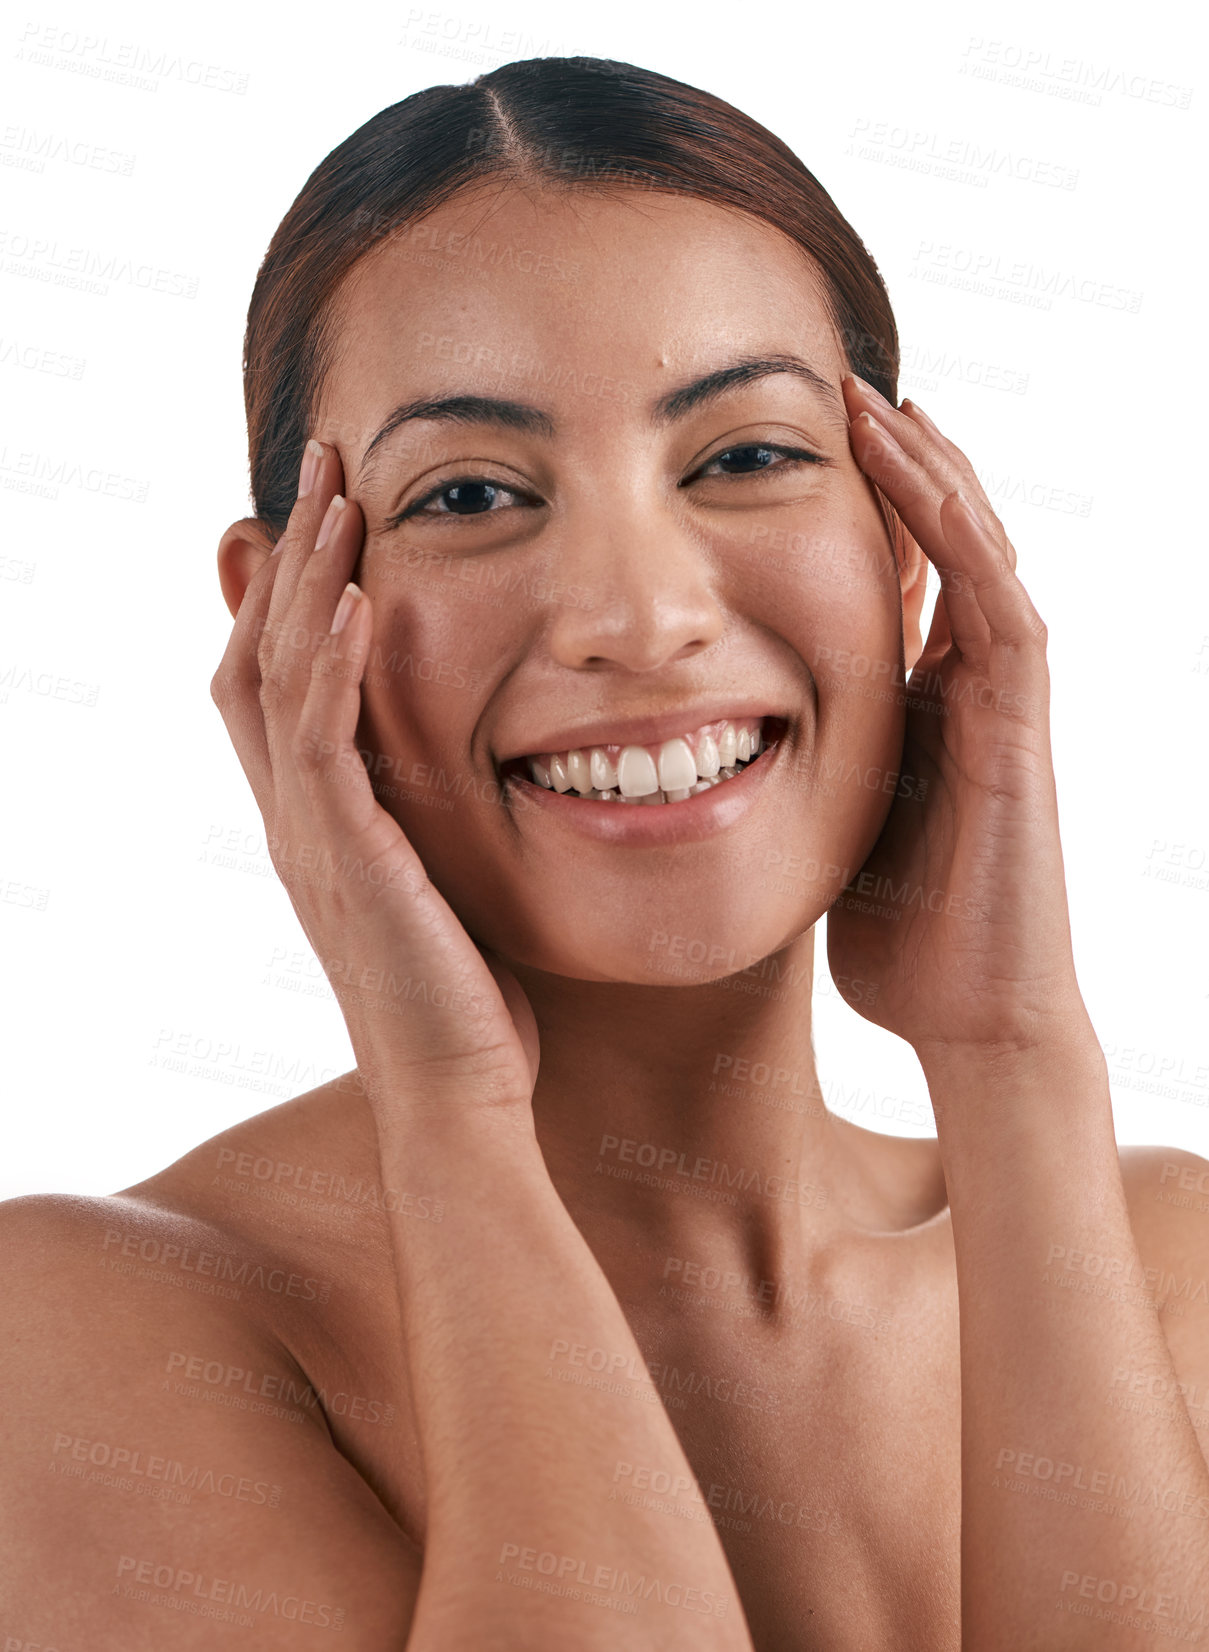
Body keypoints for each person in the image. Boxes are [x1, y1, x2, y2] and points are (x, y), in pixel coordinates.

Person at [3, 55, 1207, 1652]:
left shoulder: (1165, 1271)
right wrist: (447, 1113)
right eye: (473, 492)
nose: (639, 620)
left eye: (744, 457)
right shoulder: (86, 1333)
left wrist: (1015, 1056)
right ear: (285, 620)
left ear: (904, 551)